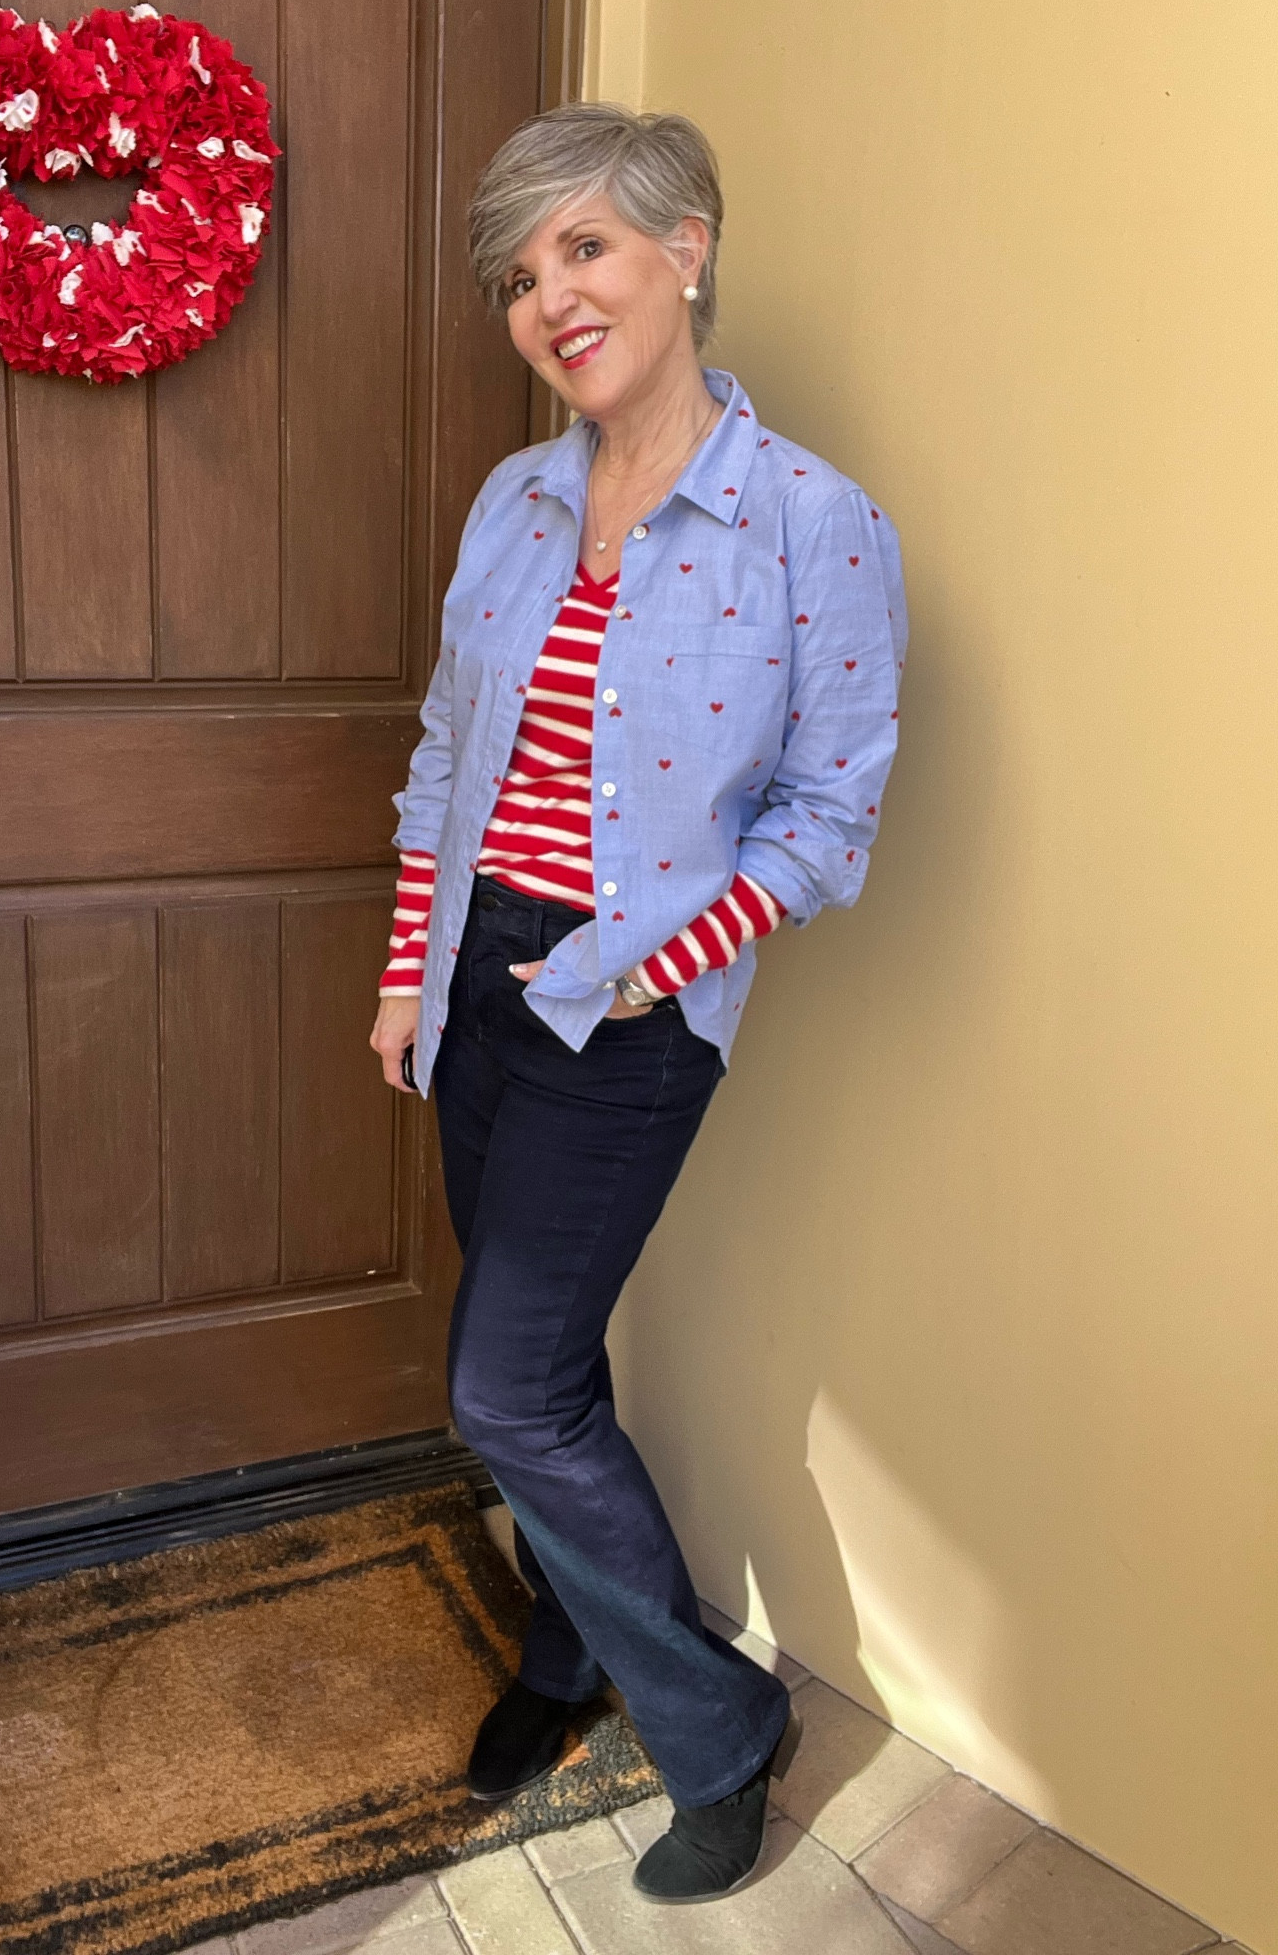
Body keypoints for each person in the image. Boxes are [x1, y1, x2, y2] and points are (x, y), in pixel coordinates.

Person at [369, 102, 906, 1904]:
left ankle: (721, 1727)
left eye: (583, 248)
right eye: (522, 277)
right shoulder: (514, 502)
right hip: (479, 978)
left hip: (630, 1018)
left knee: (505, 1392)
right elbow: (450, 756)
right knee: (544, 1363)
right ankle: (566, 1645)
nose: (551, 300)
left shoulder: (811, 523)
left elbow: (826, 822)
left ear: (687, 250)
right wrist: (411, 971)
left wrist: (638, 975)